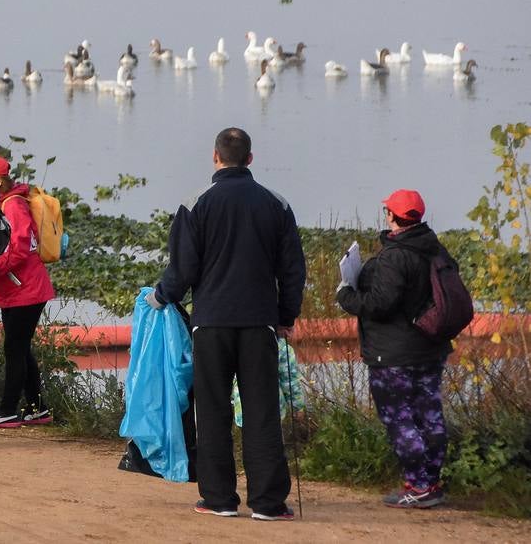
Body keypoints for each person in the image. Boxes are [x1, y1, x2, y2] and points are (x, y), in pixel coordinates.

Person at [150, 127, 306, 520]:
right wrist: (286, 316)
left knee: (214, 410)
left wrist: (161, 296)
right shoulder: (277, 204)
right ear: (250, 159)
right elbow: (292, 270)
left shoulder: (195, 204)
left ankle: (218, 499)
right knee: (262, 411)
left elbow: (183, 267)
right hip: (260, 323)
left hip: (212, 325)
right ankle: (268, 502)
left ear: (215, 157)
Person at [337, 189, 451, 509]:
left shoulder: (395, 256)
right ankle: (431, 482)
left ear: (392, 216)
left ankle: (417, 485)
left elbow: (379, 305)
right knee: (429, 416)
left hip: (394, 356)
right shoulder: (435, 250)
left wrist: (346, 294)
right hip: (429, 350)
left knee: (400, 419)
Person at [0, 154, 56, 429]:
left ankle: (7, 410)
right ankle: (37, 409)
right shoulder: (2, 204)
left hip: (27, 290)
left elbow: (21, 248)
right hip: (19, 289)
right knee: (21, 348)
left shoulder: (13, 205)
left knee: (14, 349)